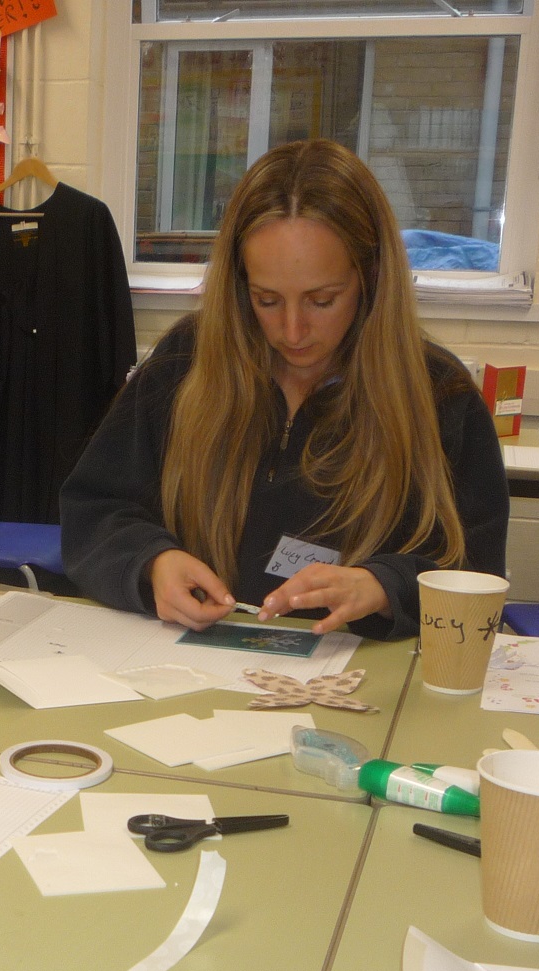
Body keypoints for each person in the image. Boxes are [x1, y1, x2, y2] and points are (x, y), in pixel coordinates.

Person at [60, 139, 508, 639]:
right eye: (267, 300)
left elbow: (476, 576)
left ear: (372, 277)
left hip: (360, 674)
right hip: (193, 666)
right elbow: (94, 510)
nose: (293, 332)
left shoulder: (440, 395)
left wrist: (386, 586)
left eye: (322, 300)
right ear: (239, 283)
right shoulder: (185, 363)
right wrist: (151, 563)